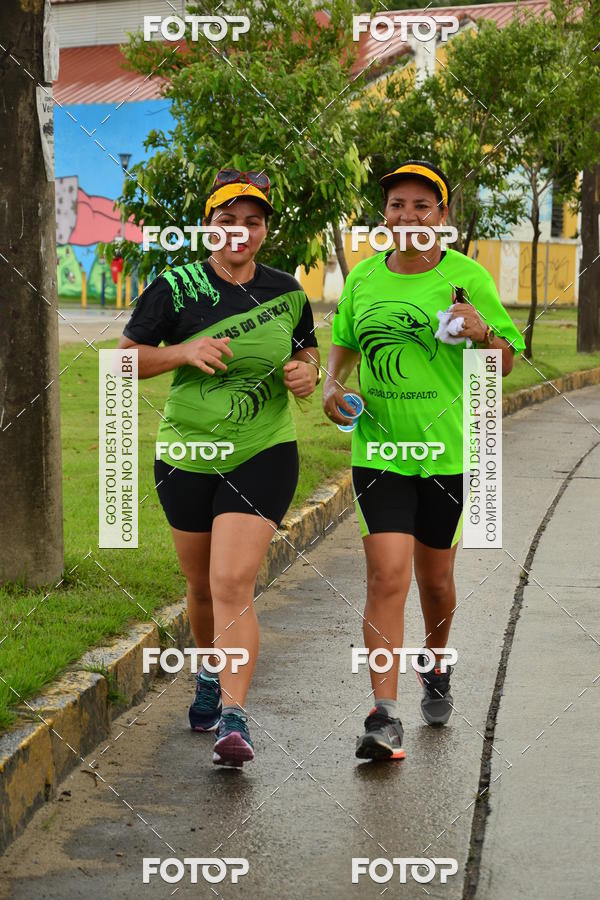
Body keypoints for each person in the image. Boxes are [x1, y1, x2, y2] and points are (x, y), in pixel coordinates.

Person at [322, 160, 525, 761]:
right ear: (384, 214)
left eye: (421, 206)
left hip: (448, 455)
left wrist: (483, 331)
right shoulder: (362, 279)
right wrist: (333, 391)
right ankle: (383, 714)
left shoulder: (466, 278)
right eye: (396, 206)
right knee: (387, 576)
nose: (407, 216)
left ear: (442, 216)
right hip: (380, 450)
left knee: (435, 581)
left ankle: (436, 664)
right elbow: (343, 354)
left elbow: (508, 360)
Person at [118, 168, 320, 766]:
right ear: (208, 227)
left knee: (233, 582)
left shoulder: (286, 290)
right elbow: (124, 363)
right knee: (202, 586)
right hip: (186, 454)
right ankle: (209, 671)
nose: (240, 231)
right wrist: (182, 351)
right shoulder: (173, 288)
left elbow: (305, 347)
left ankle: (234, 717)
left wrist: (306, 371)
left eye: (252, 221)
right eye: (227, 220)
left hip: (264, 451)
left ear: (264, 231)